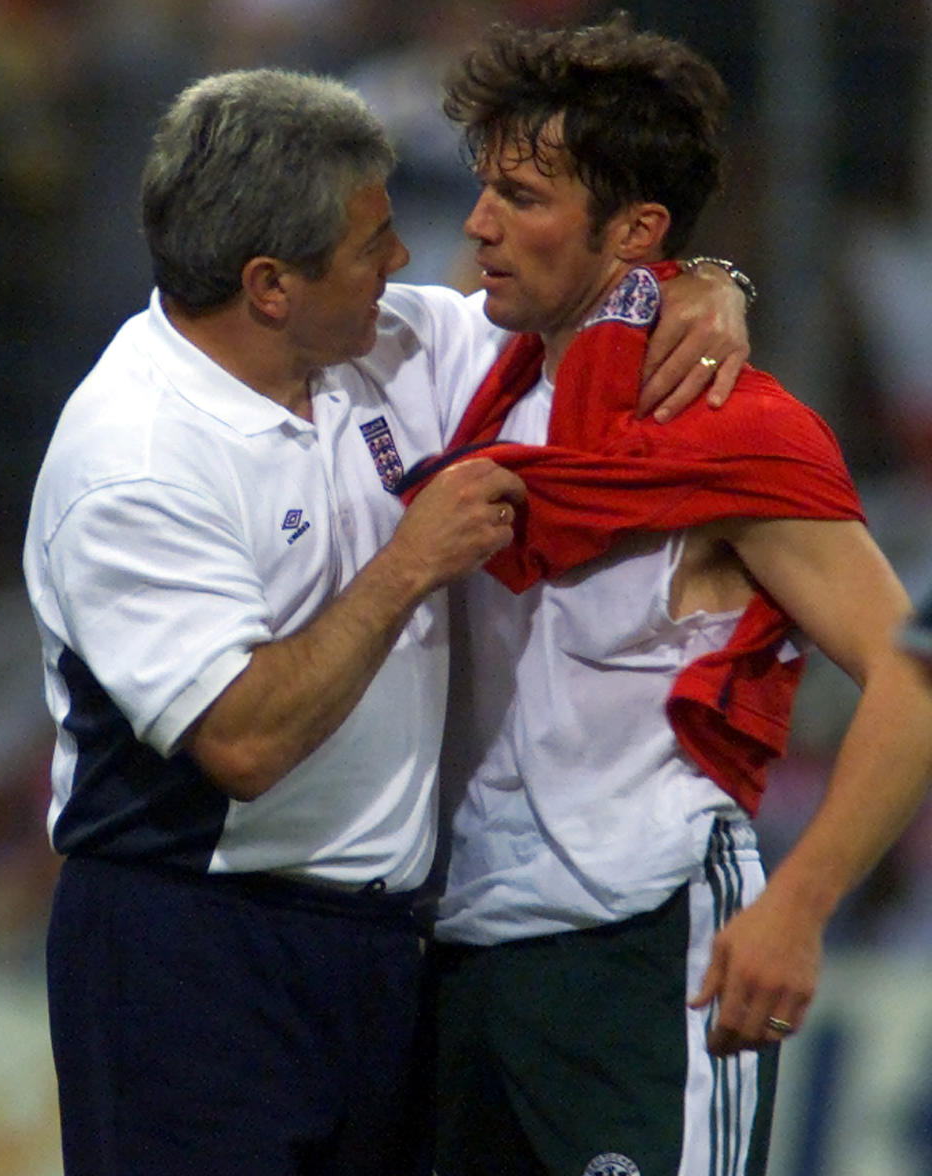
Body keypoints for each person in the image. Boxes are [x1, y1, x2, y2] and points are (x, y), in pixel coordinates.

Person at [22, 66, 752, 1175]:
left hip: (381, 951)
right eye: (372, 244)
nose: (405, 263)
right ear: (272, 284)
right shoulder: (134, 461)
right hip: (193, 953)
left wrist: (701, 280)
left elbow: (575, 300)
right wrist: (409, 562)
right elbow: (245, 741)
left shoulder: (378, 344)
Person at [405, 17, 932, 1176]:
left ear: (636, 229)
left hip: (645, 948)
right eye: (485, 186)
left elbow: (915, 671)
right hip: (461, 956)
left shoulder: (728, 426)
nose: (479, 223)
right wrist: (708, 275)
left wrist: (800, 903)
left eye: (523, 196)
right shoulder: (464, 383)